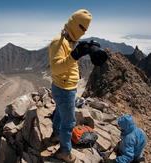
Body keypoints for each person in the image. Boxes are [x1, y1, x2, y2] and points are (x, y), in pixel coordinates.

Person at [48, 9, 92, 162]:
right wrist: (75, 55)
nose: (83, 33)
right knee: (69, 123)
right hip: (65, 89)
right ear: (74, 24)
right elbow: (55, 67)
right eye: (82, 29)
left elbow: (68, 61)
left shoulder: (68, 40)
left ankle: (55, 135)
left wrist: (83, 48)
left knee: (60, 113)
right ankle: (65, 152)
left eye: (86, 31)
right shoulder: (58, 42)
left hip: (65, 88)